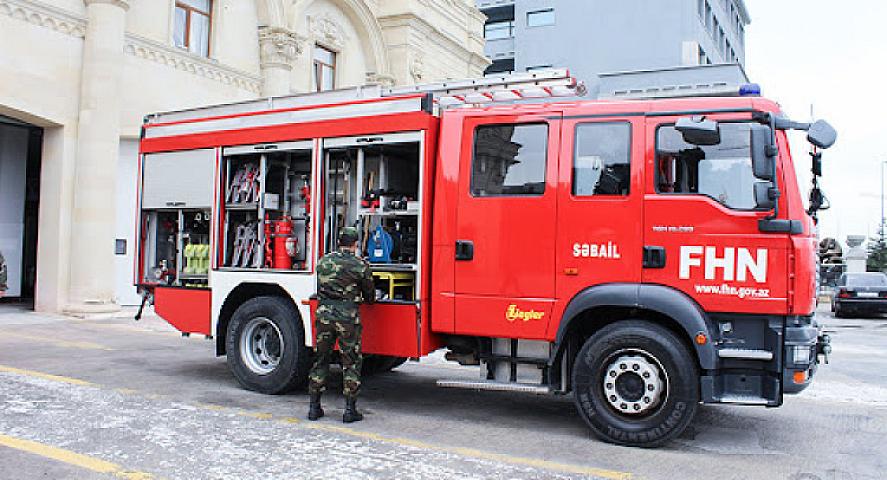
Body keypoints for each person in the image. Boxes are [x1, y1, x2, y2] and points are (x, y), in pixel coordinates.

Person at [308, 227, 375, 423]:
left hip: (324, 316)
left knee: (320, 360)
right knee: (351, 361)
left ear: (339, 241)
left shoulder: (324, 261)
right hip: (347, 319)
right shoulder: (359, 265)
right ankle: (349, 410)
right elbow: (370, 296)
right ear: (355, 244)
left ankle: (314, 407)